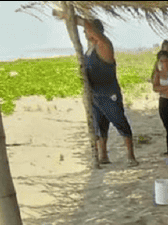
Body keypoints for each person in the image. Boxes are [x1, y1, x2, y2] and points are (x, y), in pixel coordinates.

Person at [53, 11, 138, 167]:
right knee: (100, 125)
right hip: (95, 94)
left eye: (87, 30)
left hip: (108, 92)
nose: (85, 33)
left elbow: (90, 28)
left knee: (120, 121)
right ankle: (103, 155)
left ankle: (131, 156)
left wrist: (69, 16)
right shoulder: (90, 49)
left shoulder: (104, 45)